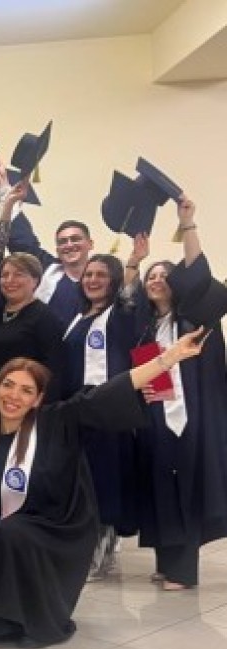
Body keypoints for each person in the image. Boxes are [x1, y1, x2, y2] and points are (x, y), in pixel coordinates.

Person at [0, 326, 207, 648]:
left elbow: (105, 396)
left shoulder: (56, 422)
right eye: (8, 385)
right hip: (1, 533)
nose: (13, 396)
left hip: (57, 530)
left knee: (10, 533)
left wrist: (167, 358)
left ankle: (35, 621)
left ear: (38, 399)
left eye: (26, 390)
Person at [133, 196, 227, 591]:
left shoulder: (196, 320)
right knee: (160, 485)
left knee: (186, 487)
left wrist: (187, 223)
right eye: (150, 277)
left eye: (163, 275)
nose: (156, 280)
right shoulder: (146, 328)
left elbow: (198, 277)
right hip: (158, 417)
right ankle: (165, 559)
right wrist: (136, 260)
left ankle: (184, 570)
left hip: (193, 419)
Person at [60, 246, 149, 580]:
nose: (92, 280)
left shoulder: (119, 314)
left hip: (108, 408)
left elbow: (129, 303)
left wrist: (133, 264)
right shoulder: (78, 317)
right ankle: (89, 549)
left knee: (104, 481)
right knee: (84, 481)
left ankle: (101, 554)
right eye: (88, 274)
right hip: (80, 408)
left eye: (101, 275)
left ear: (113, 281)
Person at [0, 184, 65, 410]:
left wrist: (8, 205)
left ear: (36, 281)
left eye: (19, 274)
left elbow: (54, 371)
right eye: (5, 275)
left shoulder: (44, 318)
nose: (9, 280)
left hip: (23, 408)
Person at [0, 158, 92, 323]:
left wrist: (134, 261)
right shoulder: (46, 269)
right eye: (62, 241)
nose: (69, 245)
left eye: (75, 239)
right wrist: (3, 186)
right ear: (57, 249)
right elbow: (20, 237)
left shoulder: (102, 281)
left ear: (90, 244)